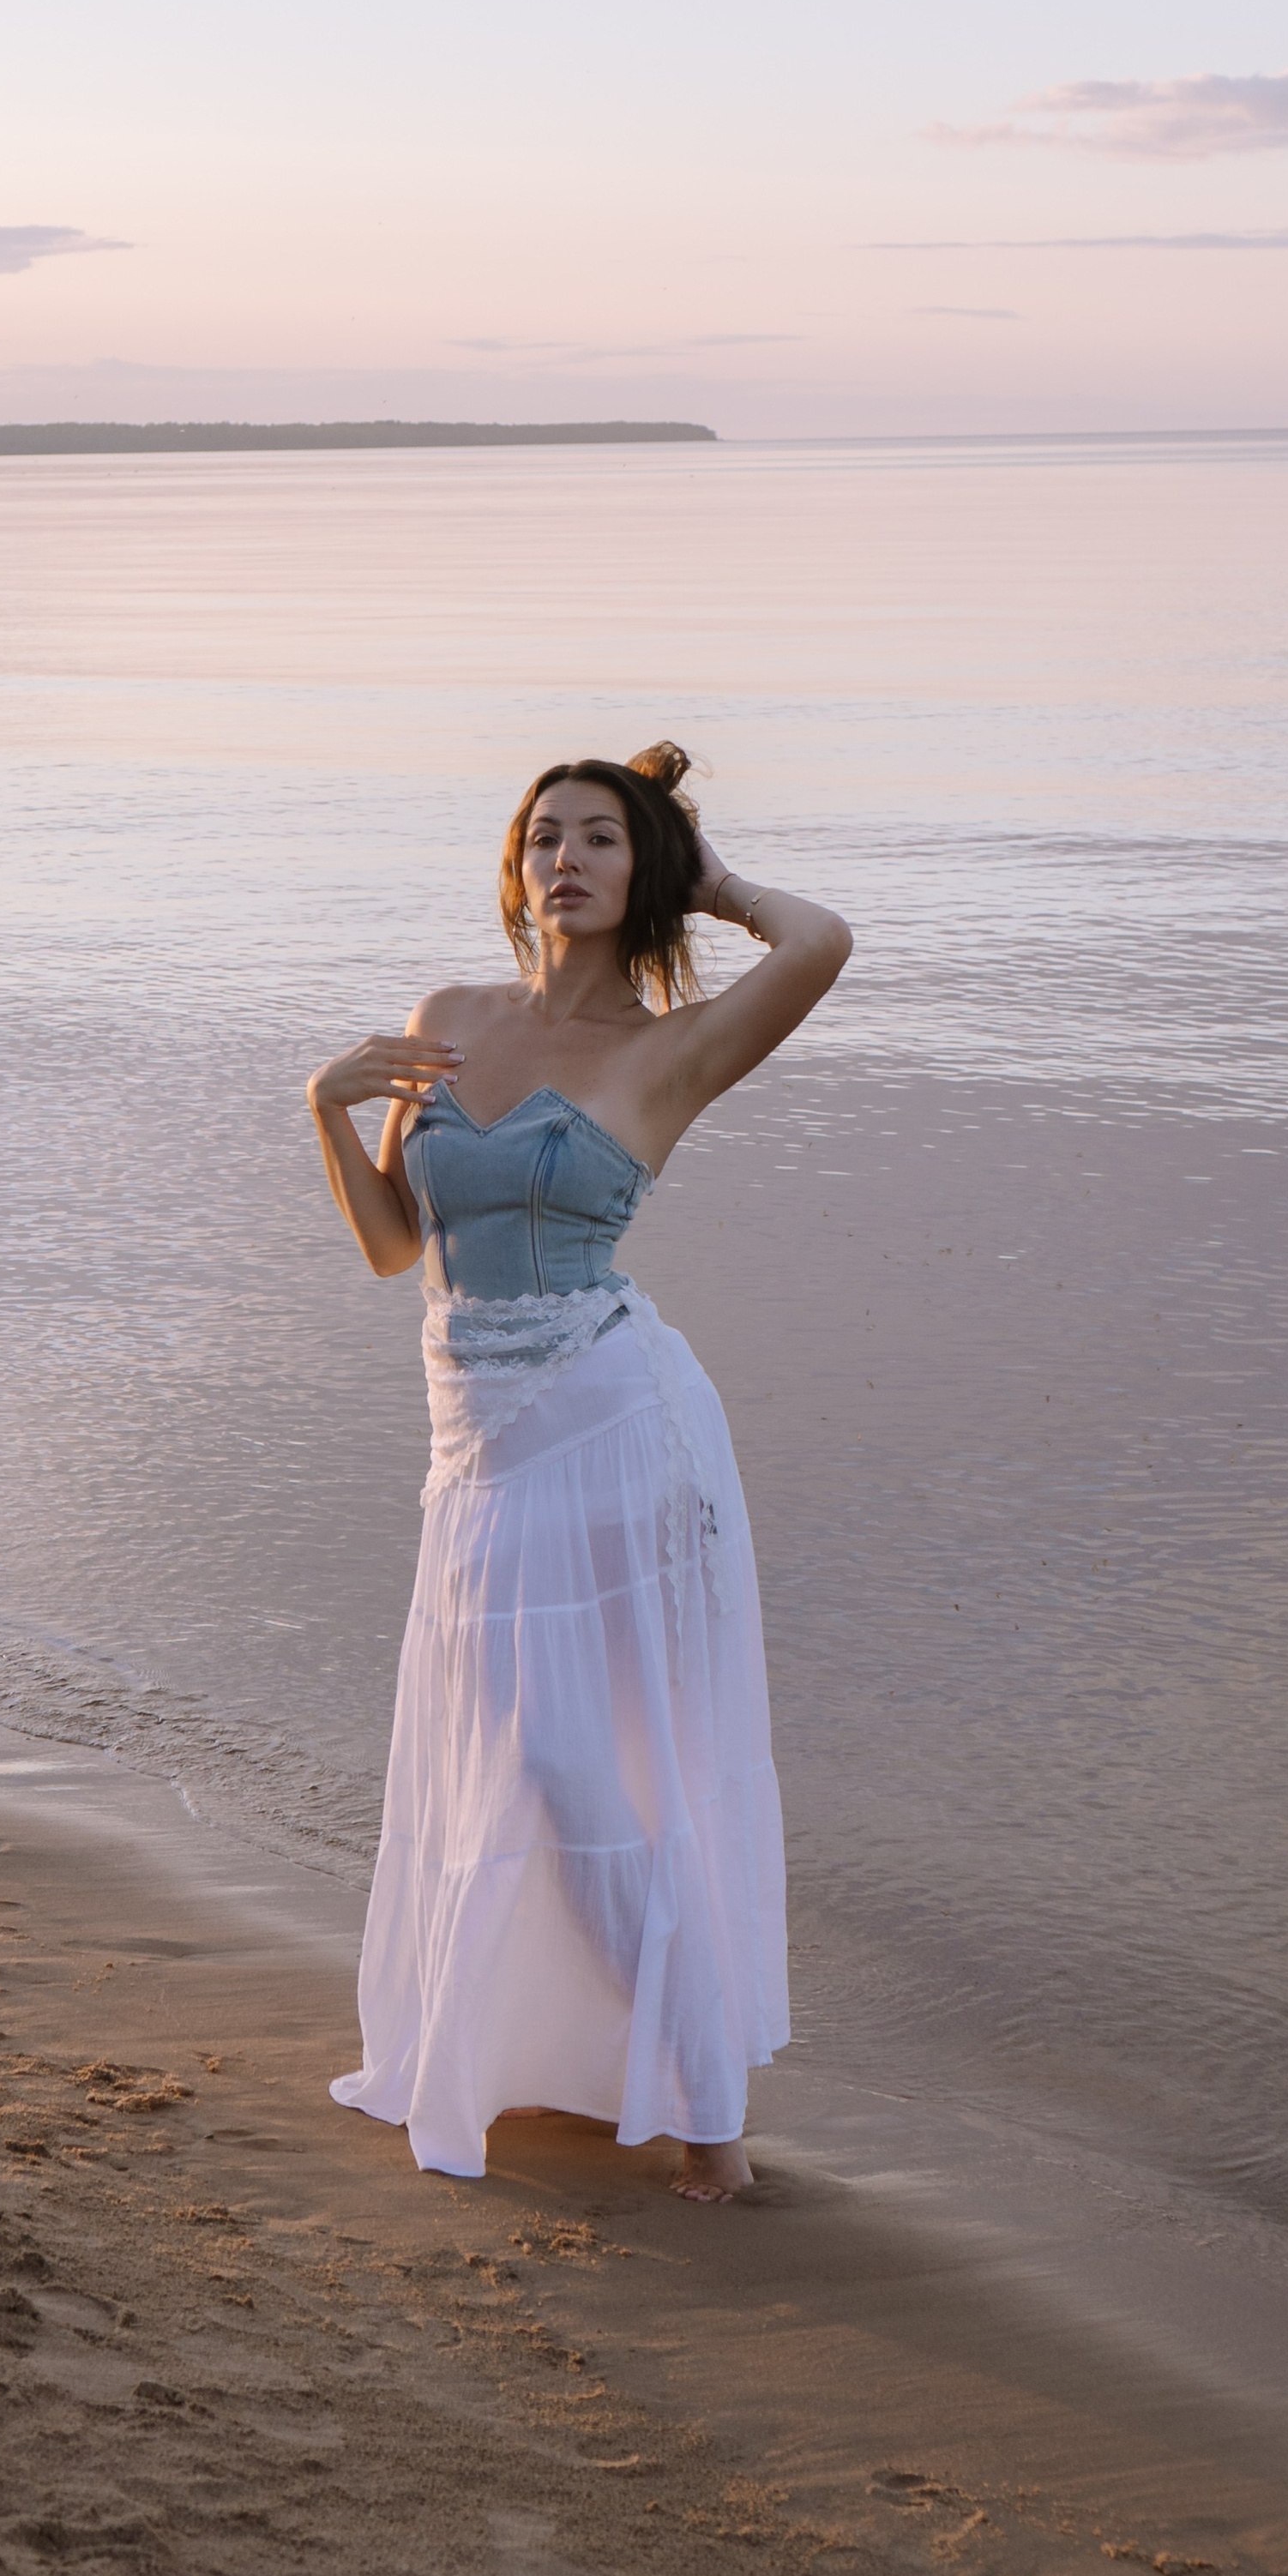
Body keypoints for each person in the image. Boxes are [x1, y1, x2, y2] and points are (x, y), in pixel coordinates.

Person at [306, 743, 852, 2201]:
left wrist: (713, 879)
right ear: (517, 867)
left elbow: (822, 944)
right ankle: (611, 2068)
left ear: (640, 870)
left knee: (594, 1763)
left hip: (615, 1430)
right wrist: (326, 1108)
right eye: (546, 836)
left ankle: (708, 2117)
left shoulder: (671, 1049)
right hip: (476, 1442)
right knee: (537, 1762)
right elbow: (395, 1247)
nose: (569, 858)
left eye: (604, 838)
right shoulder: (448, 1021)